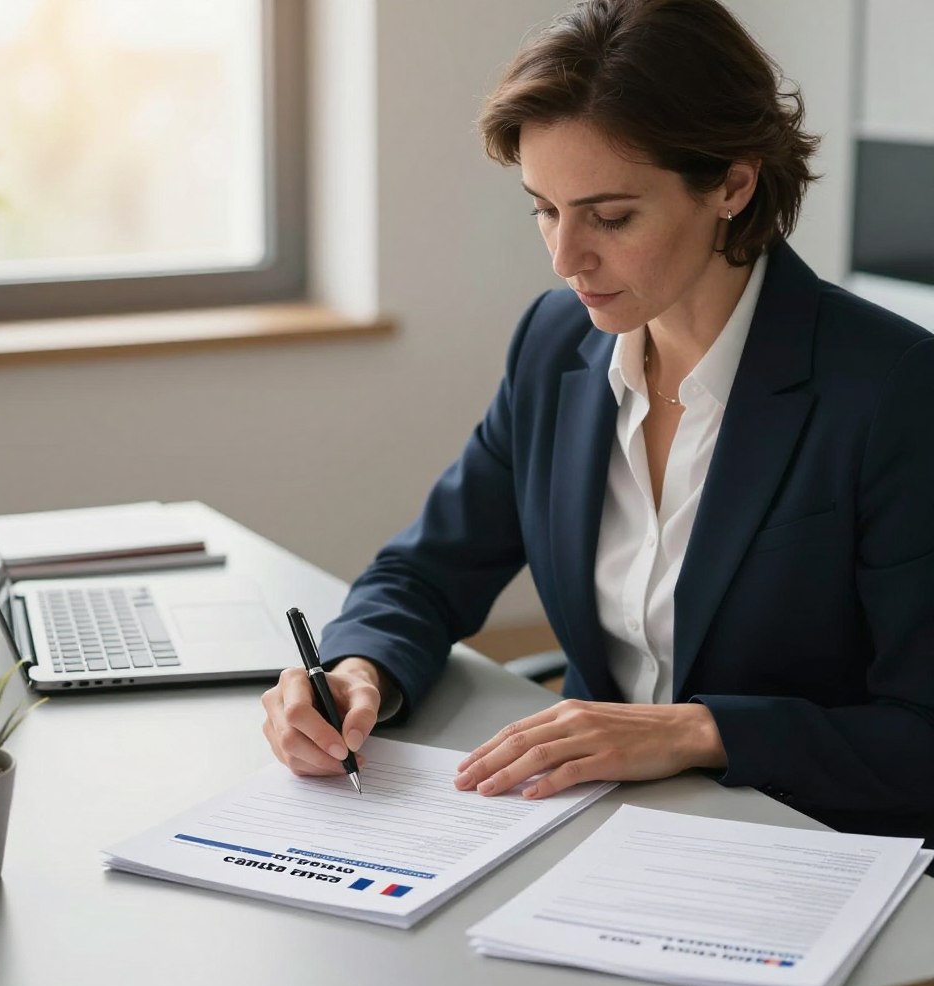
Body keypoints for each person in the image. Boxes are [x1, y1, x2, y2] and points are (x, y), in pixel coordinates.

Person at [262, 0, 934, 871]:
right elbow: (428, 571)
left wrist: (698, 733)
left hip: (801, 859)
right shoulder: (558, 345)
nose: (564, 257)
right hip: (592, 843)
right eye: (544, 208)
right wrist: (360, 671)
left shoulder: (891, 392)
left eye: (610, 217)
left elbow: (921, 729)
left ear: (733, 184)